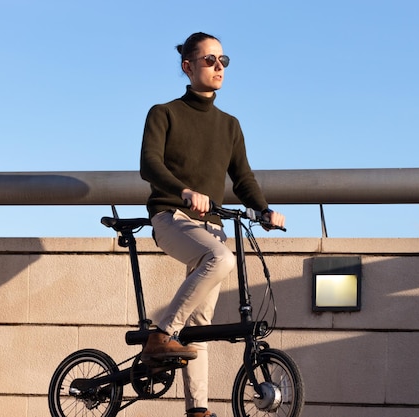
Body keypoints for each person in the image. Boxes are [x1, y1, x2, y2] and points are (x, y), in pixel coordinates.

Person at [139, 32, 285, 417]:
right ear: (187, 66)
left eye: (223, 61)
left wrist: (265, 210)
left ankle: (197, 410)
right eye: (209, 60)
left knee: (201, 323)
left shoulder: (230, 125)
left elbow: (244, 177)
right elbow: (149, 165)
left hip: (211, 224)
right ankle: (159, 335)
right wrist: (184, 190)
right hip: (172, 217)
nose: (218, 67)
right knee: (220, 257)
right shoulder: (164, 113)